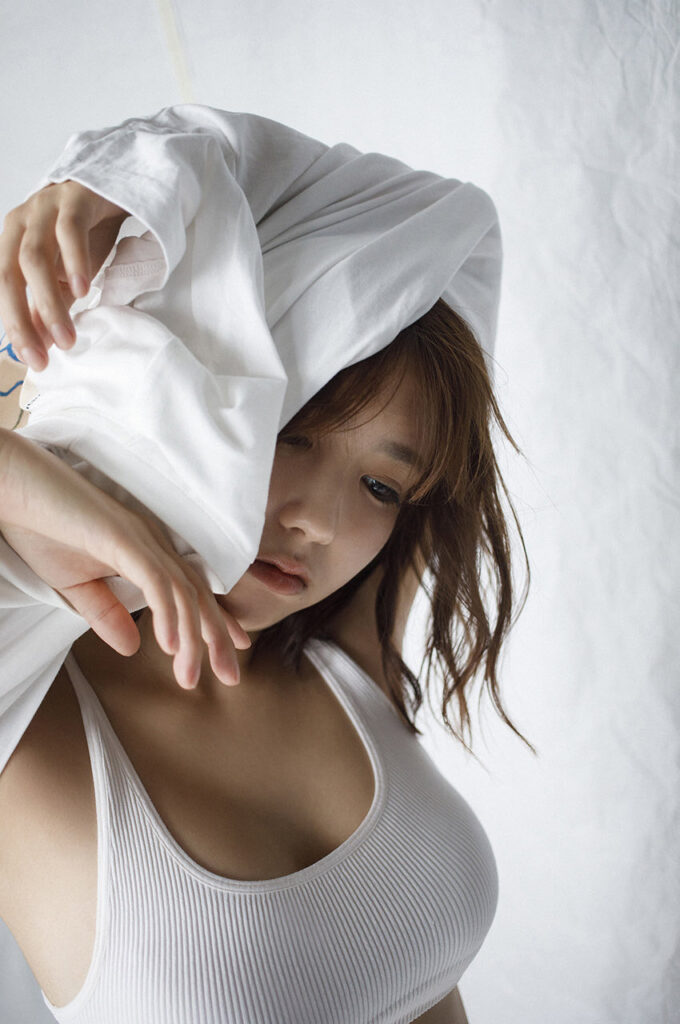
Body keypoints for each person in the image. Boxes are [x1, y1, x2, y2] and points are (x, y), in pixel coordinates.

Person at [0, 109, 532, 1023]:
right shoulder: (27, 703)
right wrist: (122, 180)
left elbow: (457, 231)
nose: (320, 522)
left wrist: (130, 179)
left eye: (380, 486)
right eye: (289, 434)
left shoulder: (346, 647)